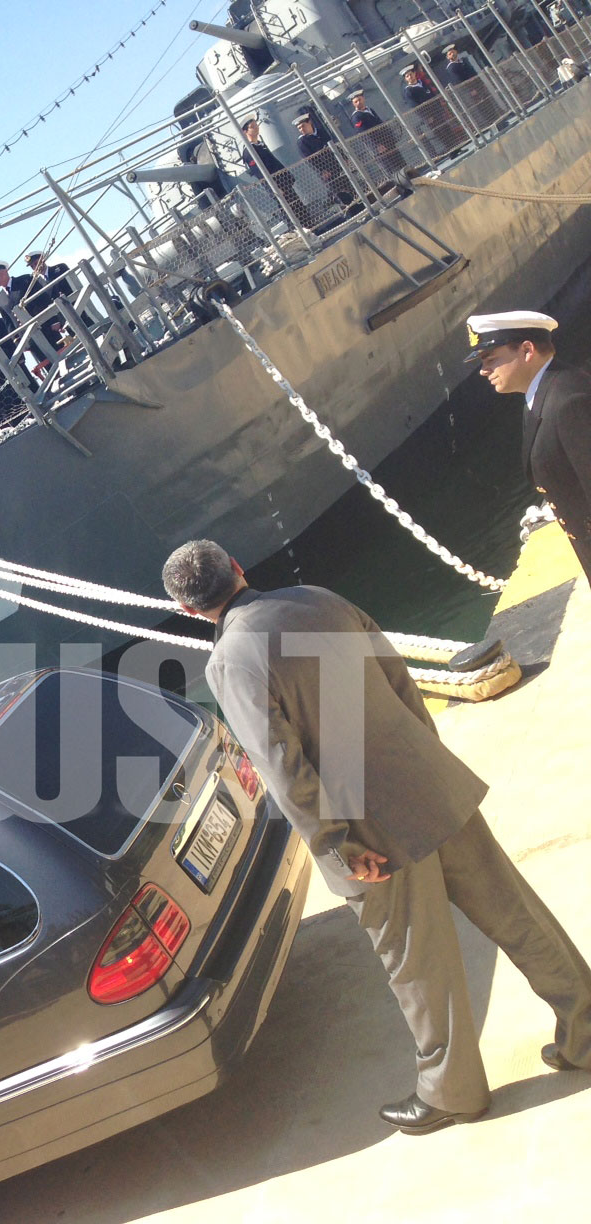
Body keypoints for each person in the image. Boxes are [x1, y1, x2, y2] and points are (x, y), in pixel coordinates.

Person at [160, 539, 591, 1134]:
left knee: (416, 962)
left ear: (188, 609)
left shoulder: (232, 659)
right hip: (429, 783)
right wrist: (426, 759)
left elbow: (281, 764)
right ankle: (587, 1030)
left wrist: (333, 843)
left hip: (367, 834)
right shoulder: (319, 598)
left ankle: (454, 1091)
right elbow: (398, 679)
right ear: (237, 567)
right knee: (516, 912)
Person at [468, 311, 591, 580]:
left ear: (527, 350)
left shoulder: (568, 401)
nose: (484, 370)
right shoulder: (542, 396)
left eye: (490, 359)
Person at [293, 108, 355, 212]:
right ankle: (350, 212)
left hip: (337, 165)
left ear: (309, 122)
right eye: (299, 128)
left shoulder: (321, 132)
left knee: (349, 186)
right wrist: (322, 171)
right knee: (339, 193)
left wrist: (344, 157)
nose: (301, 129)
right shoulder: (302, 142)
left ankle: (359, 206)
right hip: (326, 172)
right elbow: (309, 160)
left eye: (303, 126)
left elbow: (333, 145)